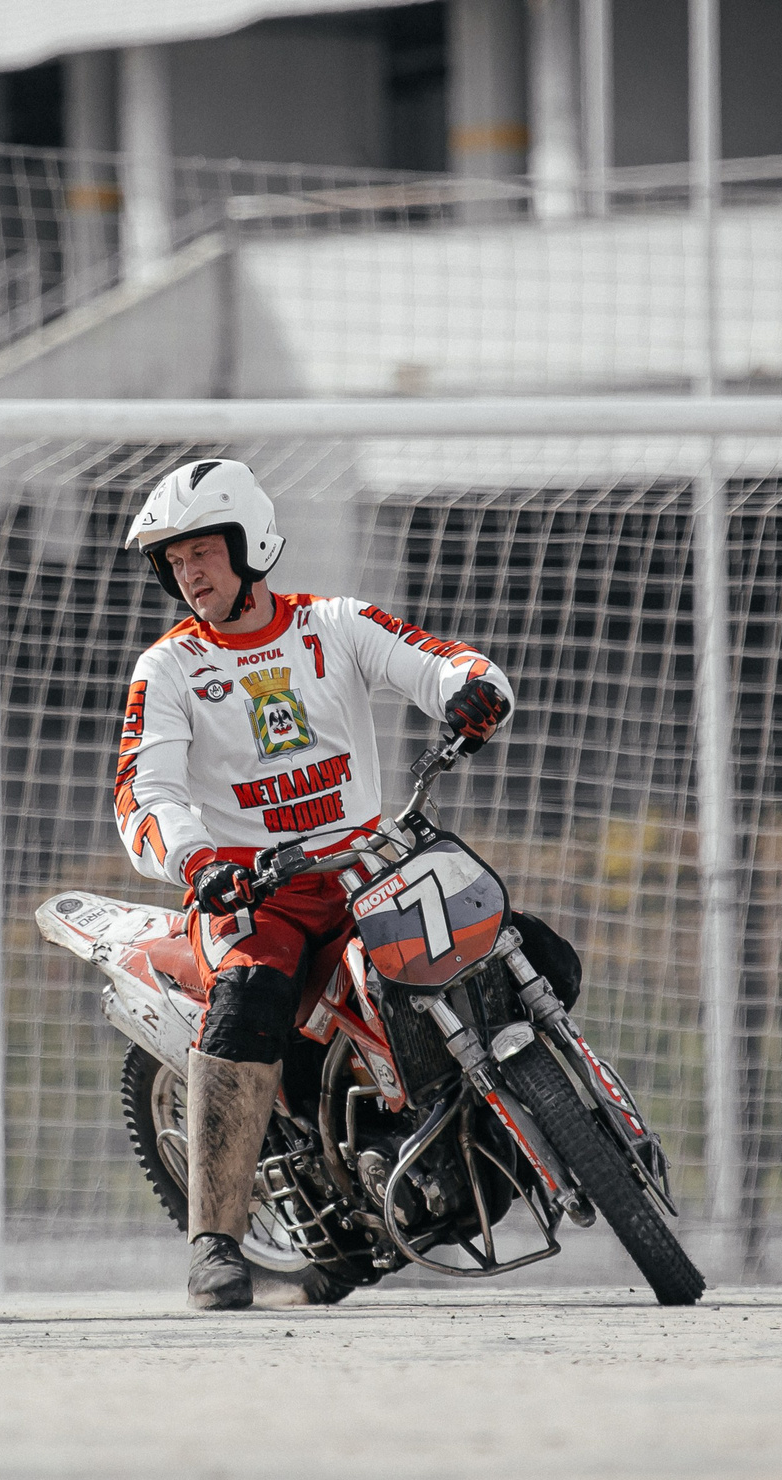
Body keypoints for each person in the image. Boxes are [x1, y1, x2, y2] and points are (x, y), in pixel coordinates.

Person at [112, 457, 515, 1310]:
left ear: (249, 542)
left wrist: (474, 688)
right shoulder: (169, 667)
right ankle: (216, 1243)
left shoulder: (335, 623)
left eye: (202, 551)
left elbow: (435, 661)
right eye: (174, 560)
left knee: (509, 945)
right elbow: (143, 794)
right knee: (249, 997)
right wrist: (199, 862)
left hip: (370, 865)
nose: (189, 572)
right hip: (254, 893)